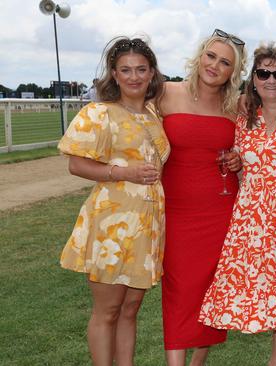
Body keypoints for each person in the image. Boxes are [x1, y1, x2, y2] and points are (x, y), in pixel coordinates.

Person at [199, 43, 276, 366]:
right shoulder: (245, 118)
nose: (272, 79)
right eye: (264, 73)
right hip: (253, 221)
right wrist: (236, 162)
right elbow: (240, 159)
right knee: (273, 291)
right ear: (253, 79)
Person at [58, 36, 169, 366]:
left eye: (141, 69)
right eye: (126, 70)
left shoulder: (153, 114)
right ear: (114, 74)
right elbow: (76, 164)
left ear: (151, 73)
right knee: (107, 311)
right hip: (112, 224)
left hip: (148, 224)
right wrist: (124, 171)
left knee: (130, 309)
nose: (134, 77)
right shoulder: (100, 113)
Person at [157, 29, 246, 366]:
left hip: (222, 208)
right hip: (177, 210)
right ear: (199, 56)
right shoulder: (165, 93)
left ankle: (197, 362)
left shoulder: (235, 105)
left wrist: (238, 159)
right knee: (179, 291)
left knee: (214, 290)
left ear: (232, 72)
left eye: (225, 63)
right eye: (211, 56)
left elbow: (246, 151)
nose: (215, 66)